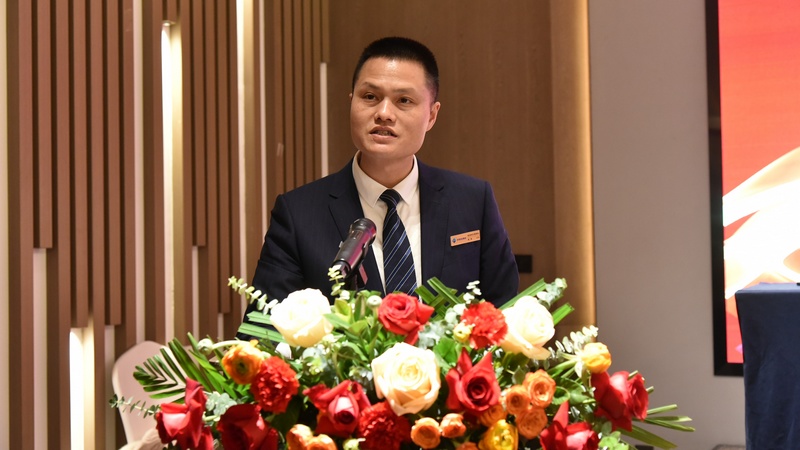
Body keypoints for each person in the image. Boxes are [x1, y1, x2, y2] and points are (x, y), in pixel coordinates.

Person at [239, 36, 518, 335]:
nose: (384, 113)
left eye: (404, 101)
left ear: (432, 115)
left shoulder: (473, 202)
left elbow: (505, 317)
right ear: (351, 102)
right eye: (370, 96)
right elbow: (261, 333)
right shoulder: (298, 214)